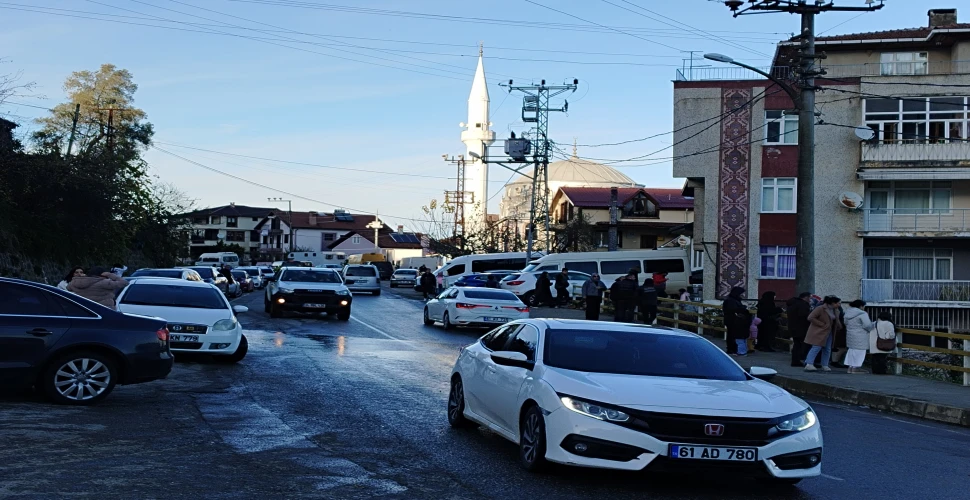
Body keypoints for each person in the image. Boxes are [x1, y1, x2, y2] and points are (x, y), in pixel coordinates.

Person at [804, 296, 843, 372]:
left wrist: (838, 326)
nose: (839, 304)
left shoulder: (836, 310)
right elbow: (810, 317)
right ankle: (809, 363)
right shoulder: (820, 308)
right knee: (816, 347)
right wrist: (822, 324)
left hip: (829, 332)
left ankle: (825, 365)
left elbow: (836, 319)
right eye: (838, 303)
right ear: (833, 303)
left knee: (827, 349)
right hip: (819, 332)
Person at [843, 299, 874, 374]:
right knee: (860, 352)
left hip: (850, 334)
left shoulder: (847, 313)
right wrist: (871, 328)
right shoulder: (862, 314)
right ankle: (856, 368)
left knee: (852, 351)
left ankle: (850, 368)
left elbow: (845, 323)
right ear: (861, 306)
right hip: (860, 335)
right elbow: (867, 325)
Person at [786, 292, 813, 367]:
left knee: (797, 344)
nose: (811, 300)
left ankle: (795, 360)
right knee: (801, 345)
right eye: (810, 298)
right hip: (801, 328)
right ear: (806, 297)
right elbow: (805, 316)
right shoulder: (802, 305)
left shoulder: (793, 303)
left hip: (793, 327)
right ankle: (799, 360)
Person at [722, 287, 749, 355]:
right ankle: (732, 349)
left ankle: (732, 348)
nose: (742, 295)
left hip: (733, 320)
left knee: (732, 334)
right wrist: (743, 308)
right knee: (732, 335)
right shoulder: (731, 301)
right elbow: (733, 309)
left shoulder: (733, 300)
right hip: (733, 320)